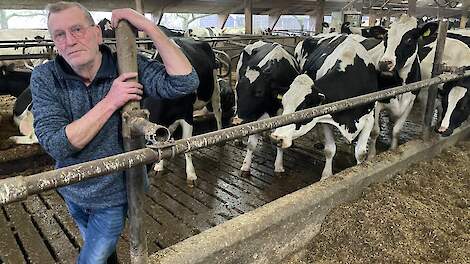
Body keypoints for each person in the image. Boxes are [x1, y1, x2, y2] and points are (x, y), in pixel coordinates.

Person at [31, 2, 199, 263]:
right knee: (104, 254)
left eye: (77, 29)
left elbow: (185, 82)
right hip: (72, 189)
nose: (70, 41)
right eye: (59, 35)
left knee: (91, 259)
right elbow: (57, 144)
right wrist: (111, 100)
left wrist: (146, 26)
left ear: (98, 33)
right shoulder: (45, 76)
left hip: (114, 193)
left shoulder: (127, 65)